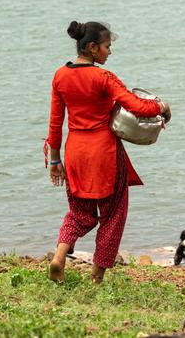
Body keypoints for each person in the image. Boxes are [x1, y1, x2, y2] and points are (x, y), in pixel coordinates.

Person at [44, 21, 171, 284]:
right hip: (105, 153)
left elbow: (55, 123)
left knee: (79, 213)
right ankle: (97, 278)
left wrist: (55, 160)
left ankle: (59, 255)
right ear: (92, 48)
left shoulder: (60, 76)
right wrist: (161, 106)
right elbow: (136, 106)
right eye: (106, 46)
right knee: (113, 215)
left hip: (75, 153)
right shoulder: (103, 77)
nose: (109, 53)